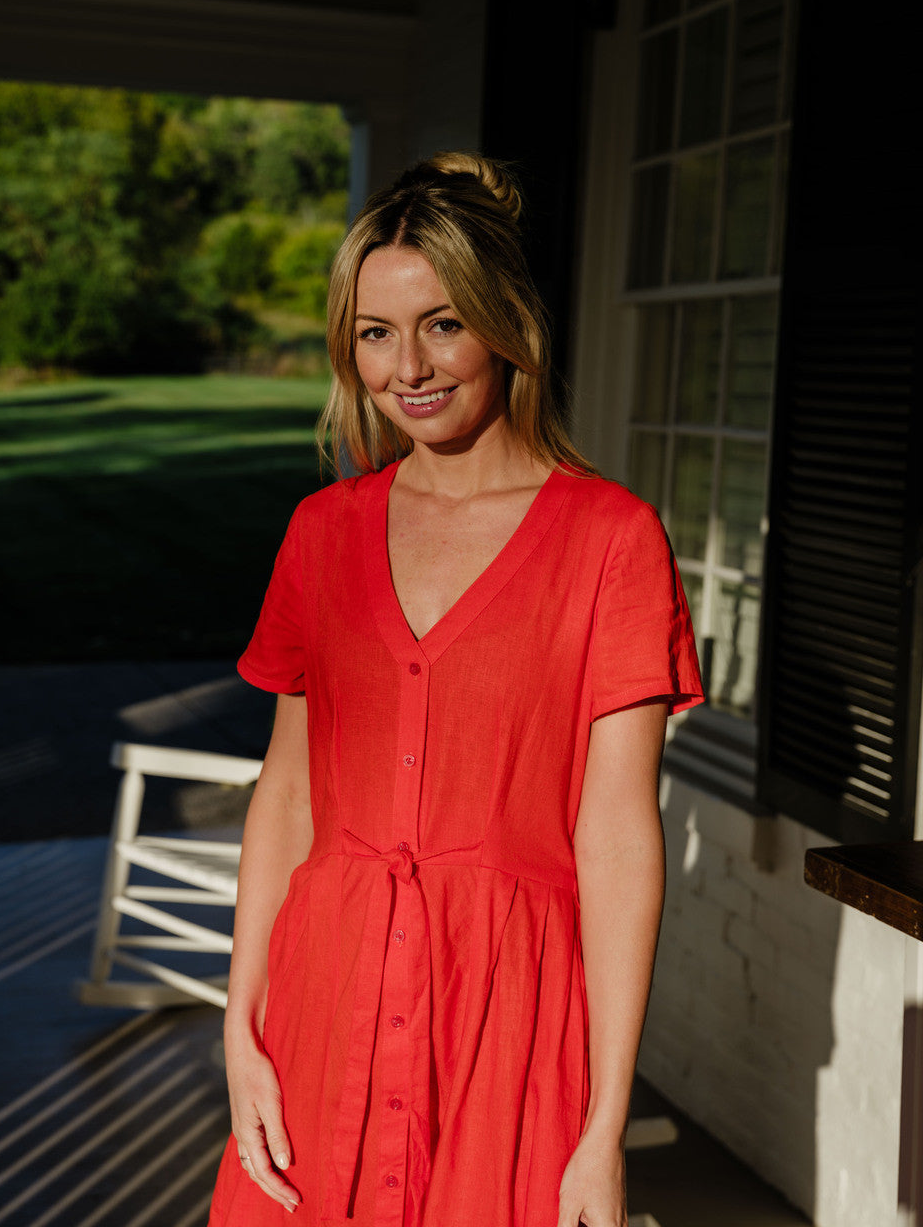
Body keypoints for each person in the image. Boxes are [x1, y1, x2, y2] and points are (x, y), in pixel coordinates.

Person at [208, 152, 703, 1227]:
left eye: (442, 323)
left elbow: (617, 838)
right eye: (376, 333)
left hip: (507, 1032)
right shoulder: (322, 533)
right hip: (321, 1004)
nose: (409, 368)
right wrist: (240, 1029)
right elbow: (286, 794)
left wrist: (601, 1129)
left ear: (503, 322)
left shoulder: (610, 539)